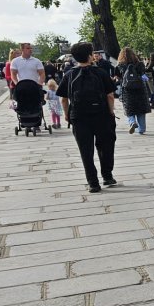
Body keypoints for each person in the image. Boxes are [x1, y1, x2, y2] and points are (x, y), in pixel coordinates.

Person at [57, 41, 117, 192]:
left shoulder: (69, 74)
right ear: (90, 56)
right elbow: (110, 96)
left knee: (86, 151)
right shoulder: (101, 73)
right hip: (101, 115)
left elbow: (64, 99)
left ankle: (93, 183)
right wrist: (111, 112)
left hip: (79, 117)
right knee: (106, 146)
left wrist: (66, 115)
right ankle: (107, 175)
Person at [114, 47, 151, 134]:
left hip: (127, 90)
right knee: (141, 110)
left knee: (129, 109)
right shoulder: (140, 64)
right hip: (140, 89)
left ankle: (132, 122)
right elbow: (143, 75)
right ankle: (141, 129)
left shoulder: (119, 66)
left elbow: (117, 78)